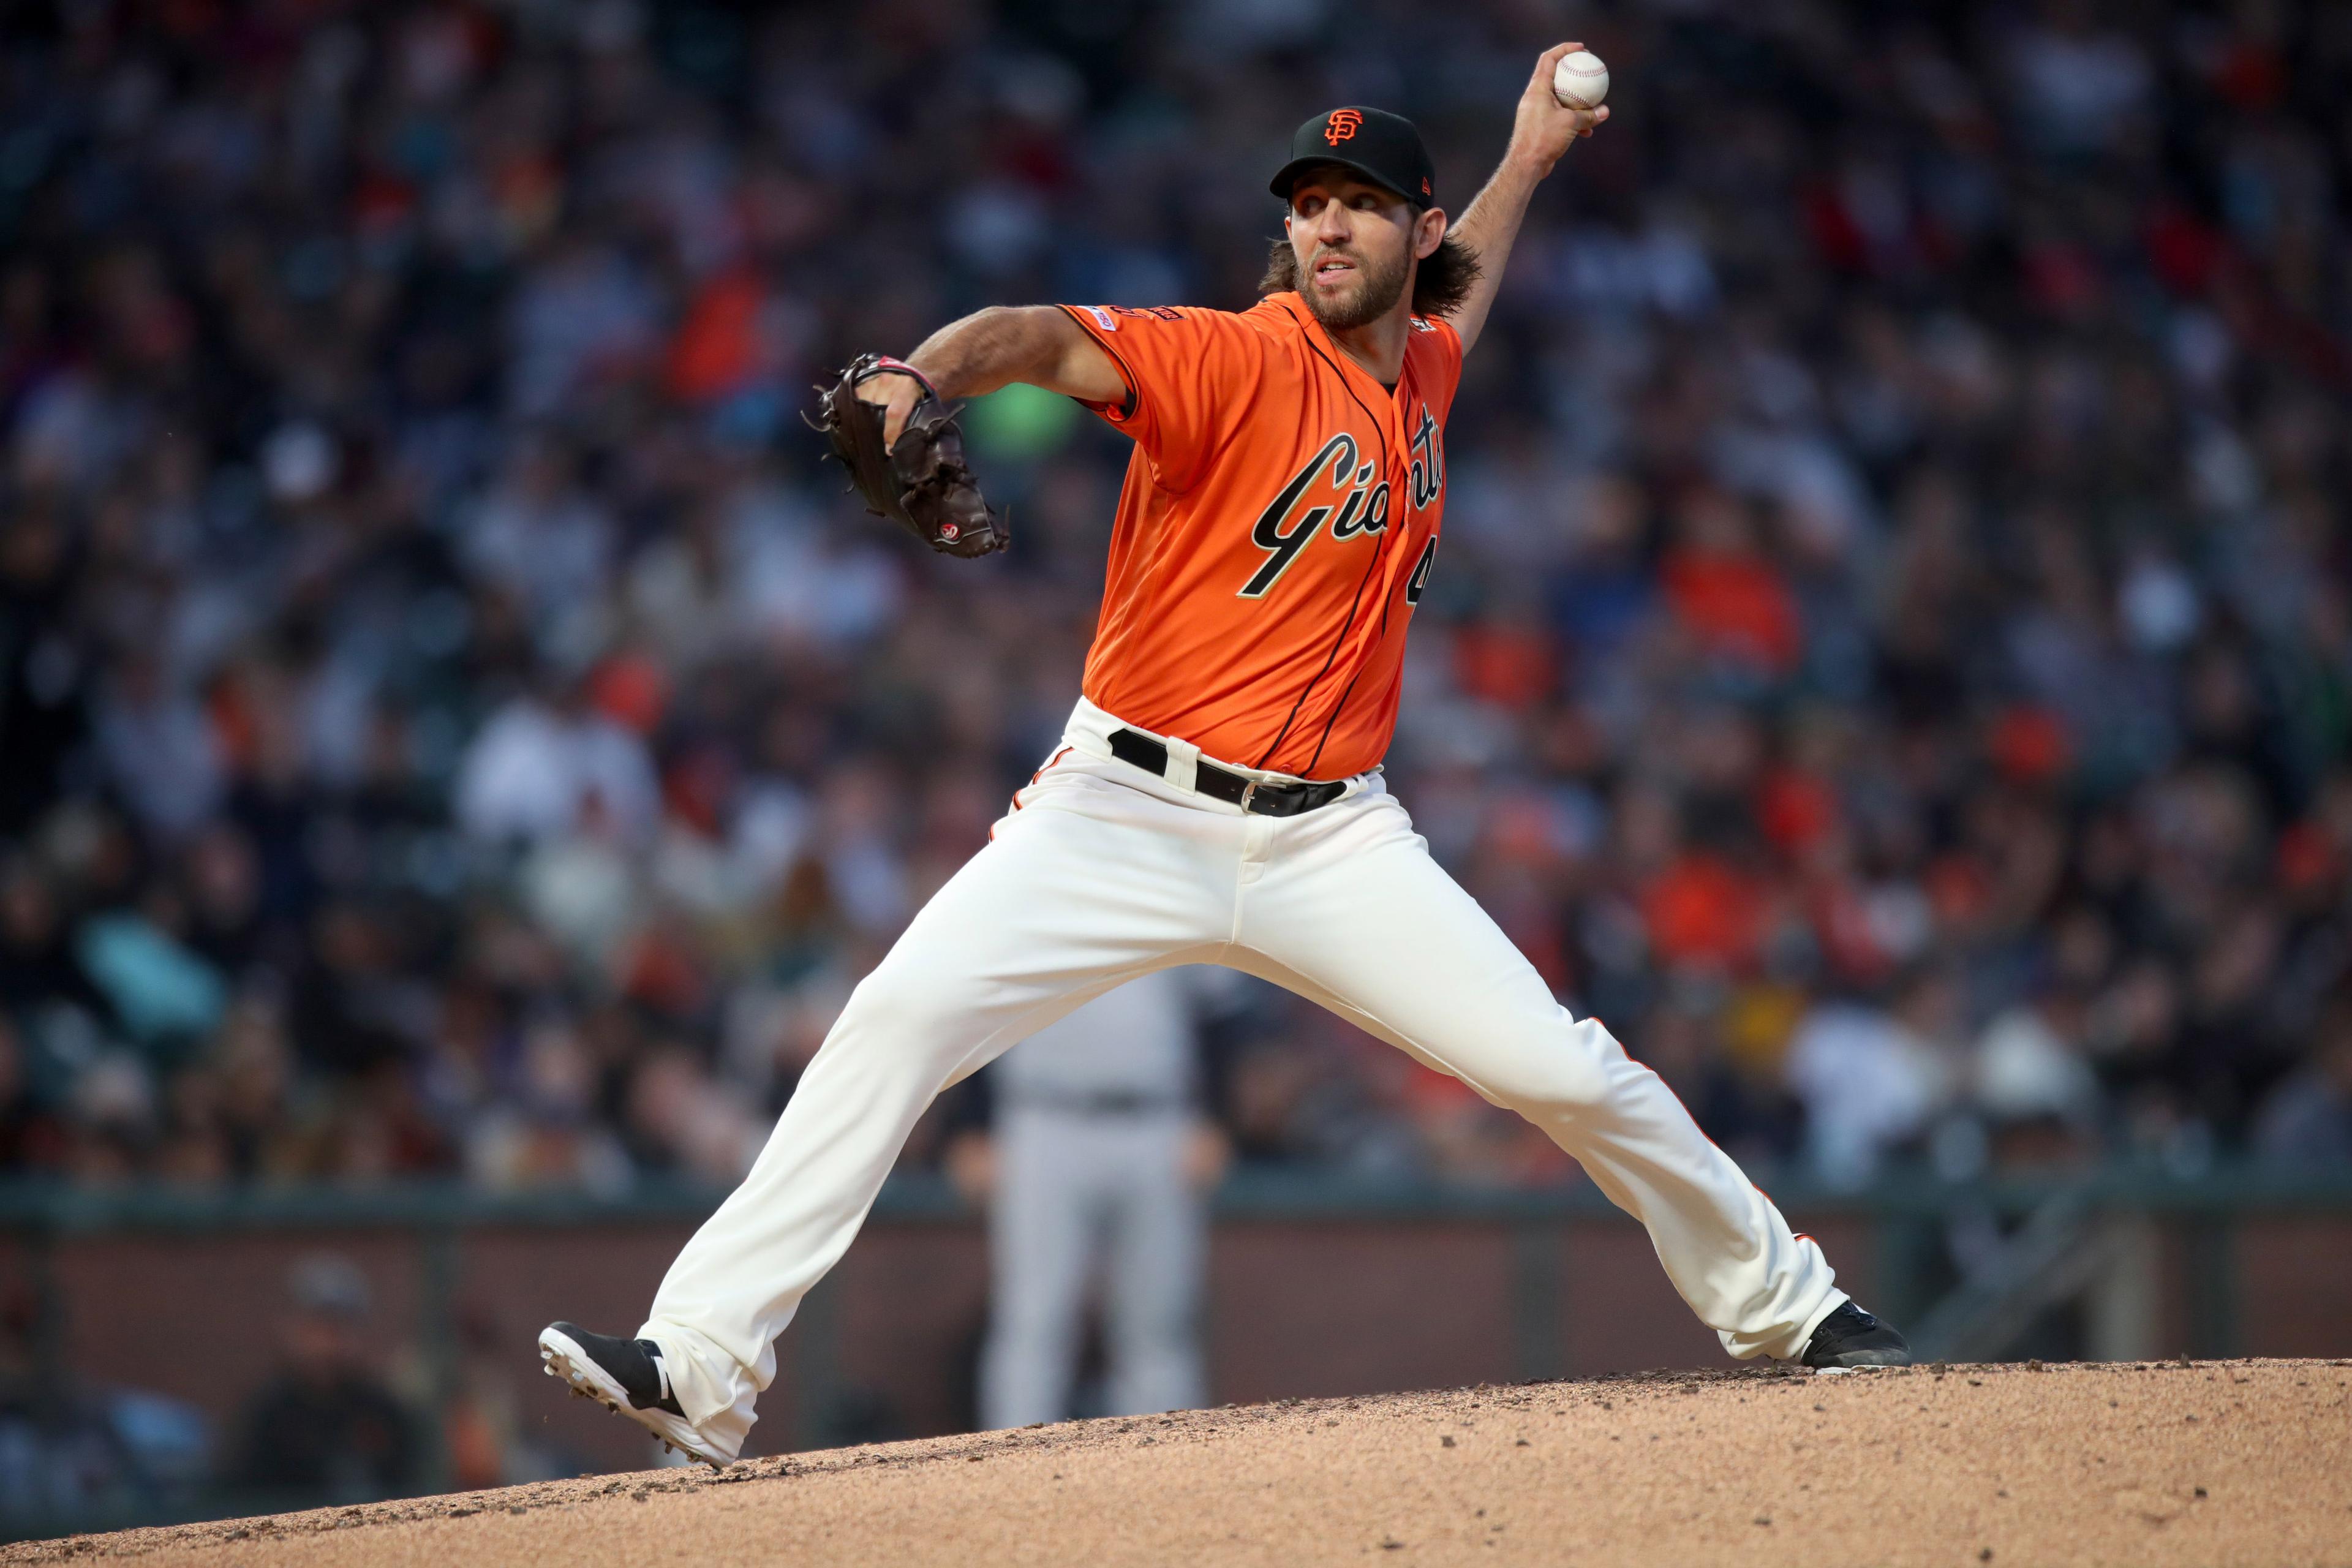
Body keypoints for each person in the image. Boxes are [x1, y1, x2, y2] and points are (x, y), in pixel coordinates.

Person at [540, 45, 1909, 1469]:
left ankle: (1789, 1309)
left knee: (1563, 1074)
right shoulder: (1231, 352)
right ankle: (698, 1361)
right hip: (1120, 809)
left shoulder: (1424, 364)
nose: (1325, 224)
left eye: (1361, 204)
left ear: (1414, 235)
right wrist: (914, 367)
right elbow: (1033, 334)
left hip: (1334, 839)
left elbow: (1473, 279)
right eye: (1309, 201)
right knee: (892, 1022)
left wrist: (1528, 157)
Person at [952, 968, 1227, 1430]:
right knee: (1034, 1317)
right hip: (1042, 1116)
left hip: (1158, 1121)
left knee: (1159, 1322)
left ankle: (1168, 1481)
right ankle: (1011, 1479)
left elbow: (1220, 1010)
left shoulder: (1176, 896)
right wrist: (971, 1121)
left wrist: (1216, 1116)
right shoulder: (1027, 899)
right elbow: (980, 999)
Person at [233, 1254, 418, 1502]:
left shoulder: (383, 1411)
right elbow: (243, 1501)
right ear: (293, 1330)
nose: (328, 1342)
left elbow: (412, 1487)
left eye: (341, 1327)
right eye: (318, 1326)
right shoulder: (269, 1414)